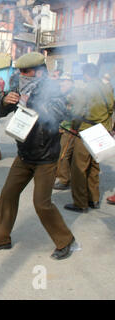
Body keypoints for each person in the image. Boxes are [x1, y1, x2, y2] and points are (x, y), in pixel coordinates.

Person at [0, 52, 76, 260]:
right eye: (20, 71)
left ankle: (65, 241)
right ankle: (1, 239)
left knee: (41, 203)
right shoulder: (20, 87)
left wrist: (29, 102)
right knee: (7, 195)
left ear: (40, 72)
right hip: (24, 154)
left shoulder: (54, 90)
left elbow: (57, 114)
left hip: (46, 157)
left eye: (27, 71)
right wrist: (5, 100)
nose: (22, 75)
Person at [64, 63, 114, 213]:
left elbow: (78, 112)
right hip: (102, 130)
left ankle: (80, 203)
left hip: (86, 131)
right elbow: (111, 109)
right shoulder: (108, 88)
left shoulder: (83, 89)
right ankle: (94, 199)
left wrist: (73, 125)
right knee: (94, 166)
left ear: (86, 74)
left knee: (79, 167)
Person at [54, 73, 76, 190]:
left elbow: (73, 113)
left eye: (64, 81)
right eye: (61, 81)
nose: (61, 83)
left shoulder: (72, 96)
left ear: (70, 83)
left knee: (63, 154)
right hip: (63, 128)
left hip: (70, 129)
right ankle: (64, 175)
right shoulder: (64, 94)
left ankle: (64, 179)